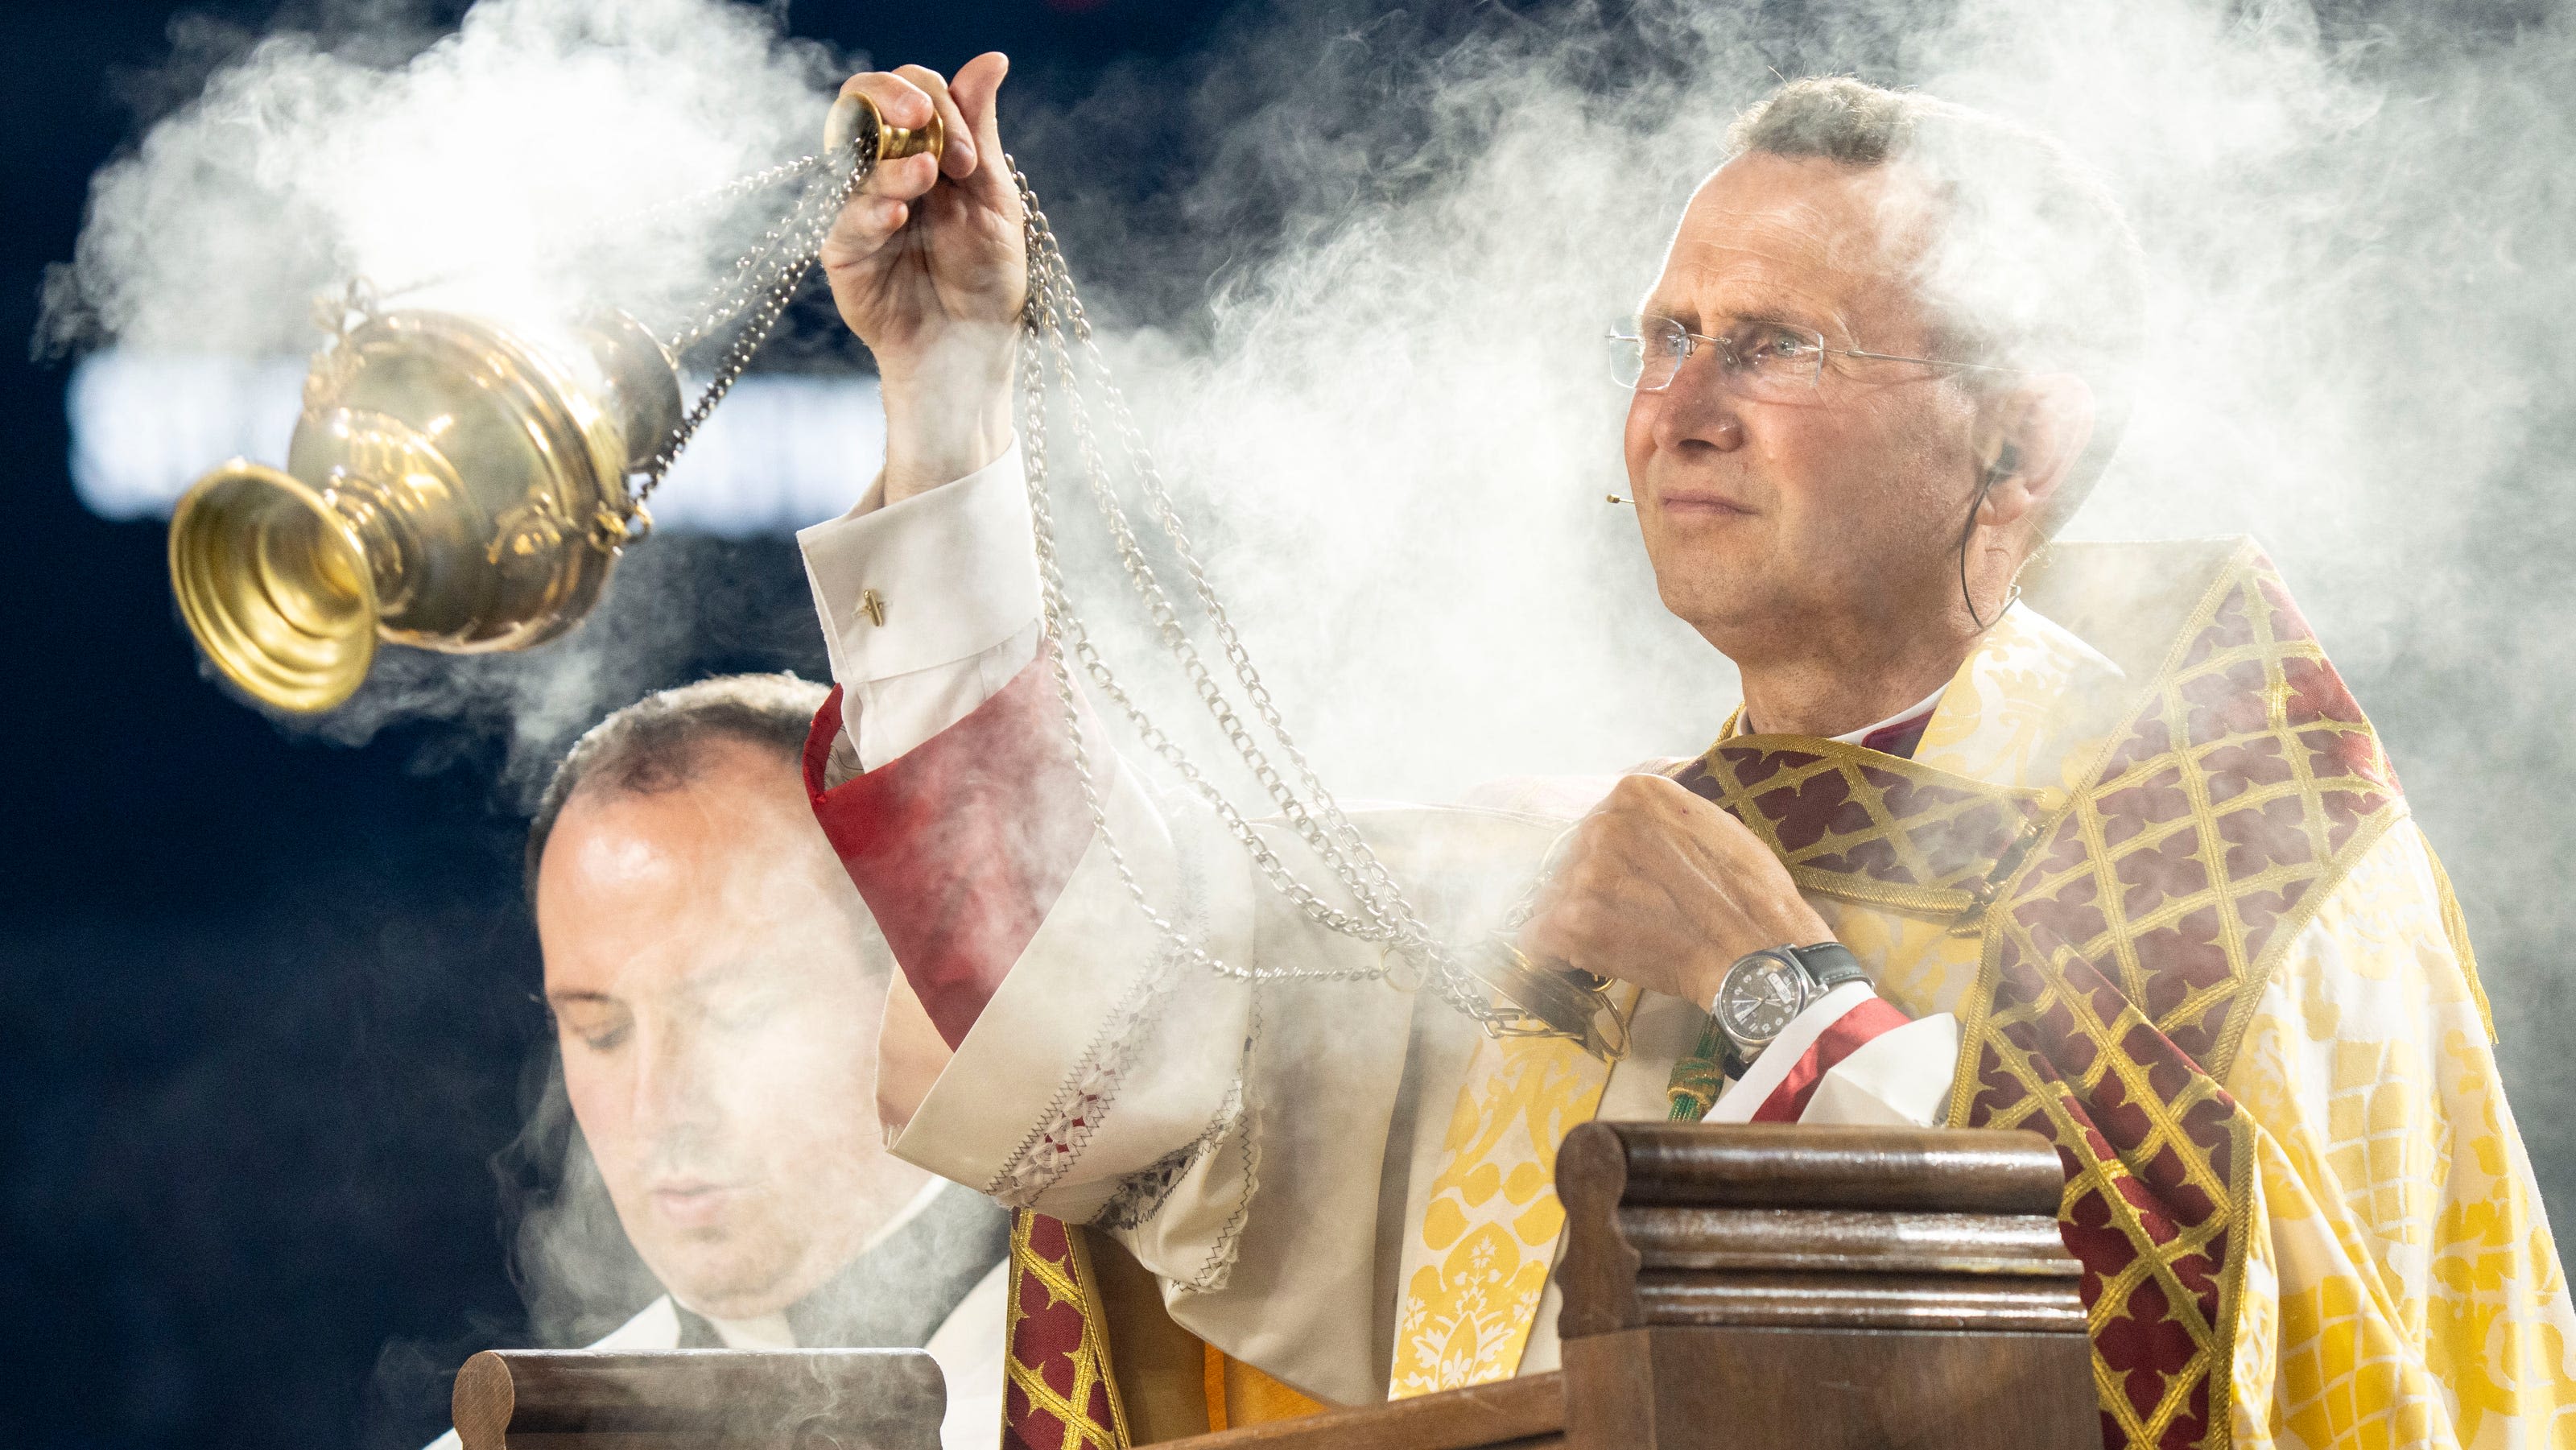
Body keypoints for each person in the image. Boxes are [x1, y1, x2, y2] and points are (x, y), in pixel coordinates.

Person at [798, 57, 2575, 1450]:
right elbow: (1067, 1023)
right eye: (1665, 336)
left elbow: (2174, 1375)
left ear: (2017, 449)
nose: (1682, 405)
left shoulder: (2244, 890)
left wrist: (1778, 995)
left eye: (1776, 344)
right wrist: (947, 388)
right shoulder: (1584, 883)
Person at [428, 675, 1011, 1450]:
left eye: (734, 1015)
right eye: (600, 1031)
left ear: (913, 982)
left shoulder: (1129, 1384)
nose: (658, 1109)